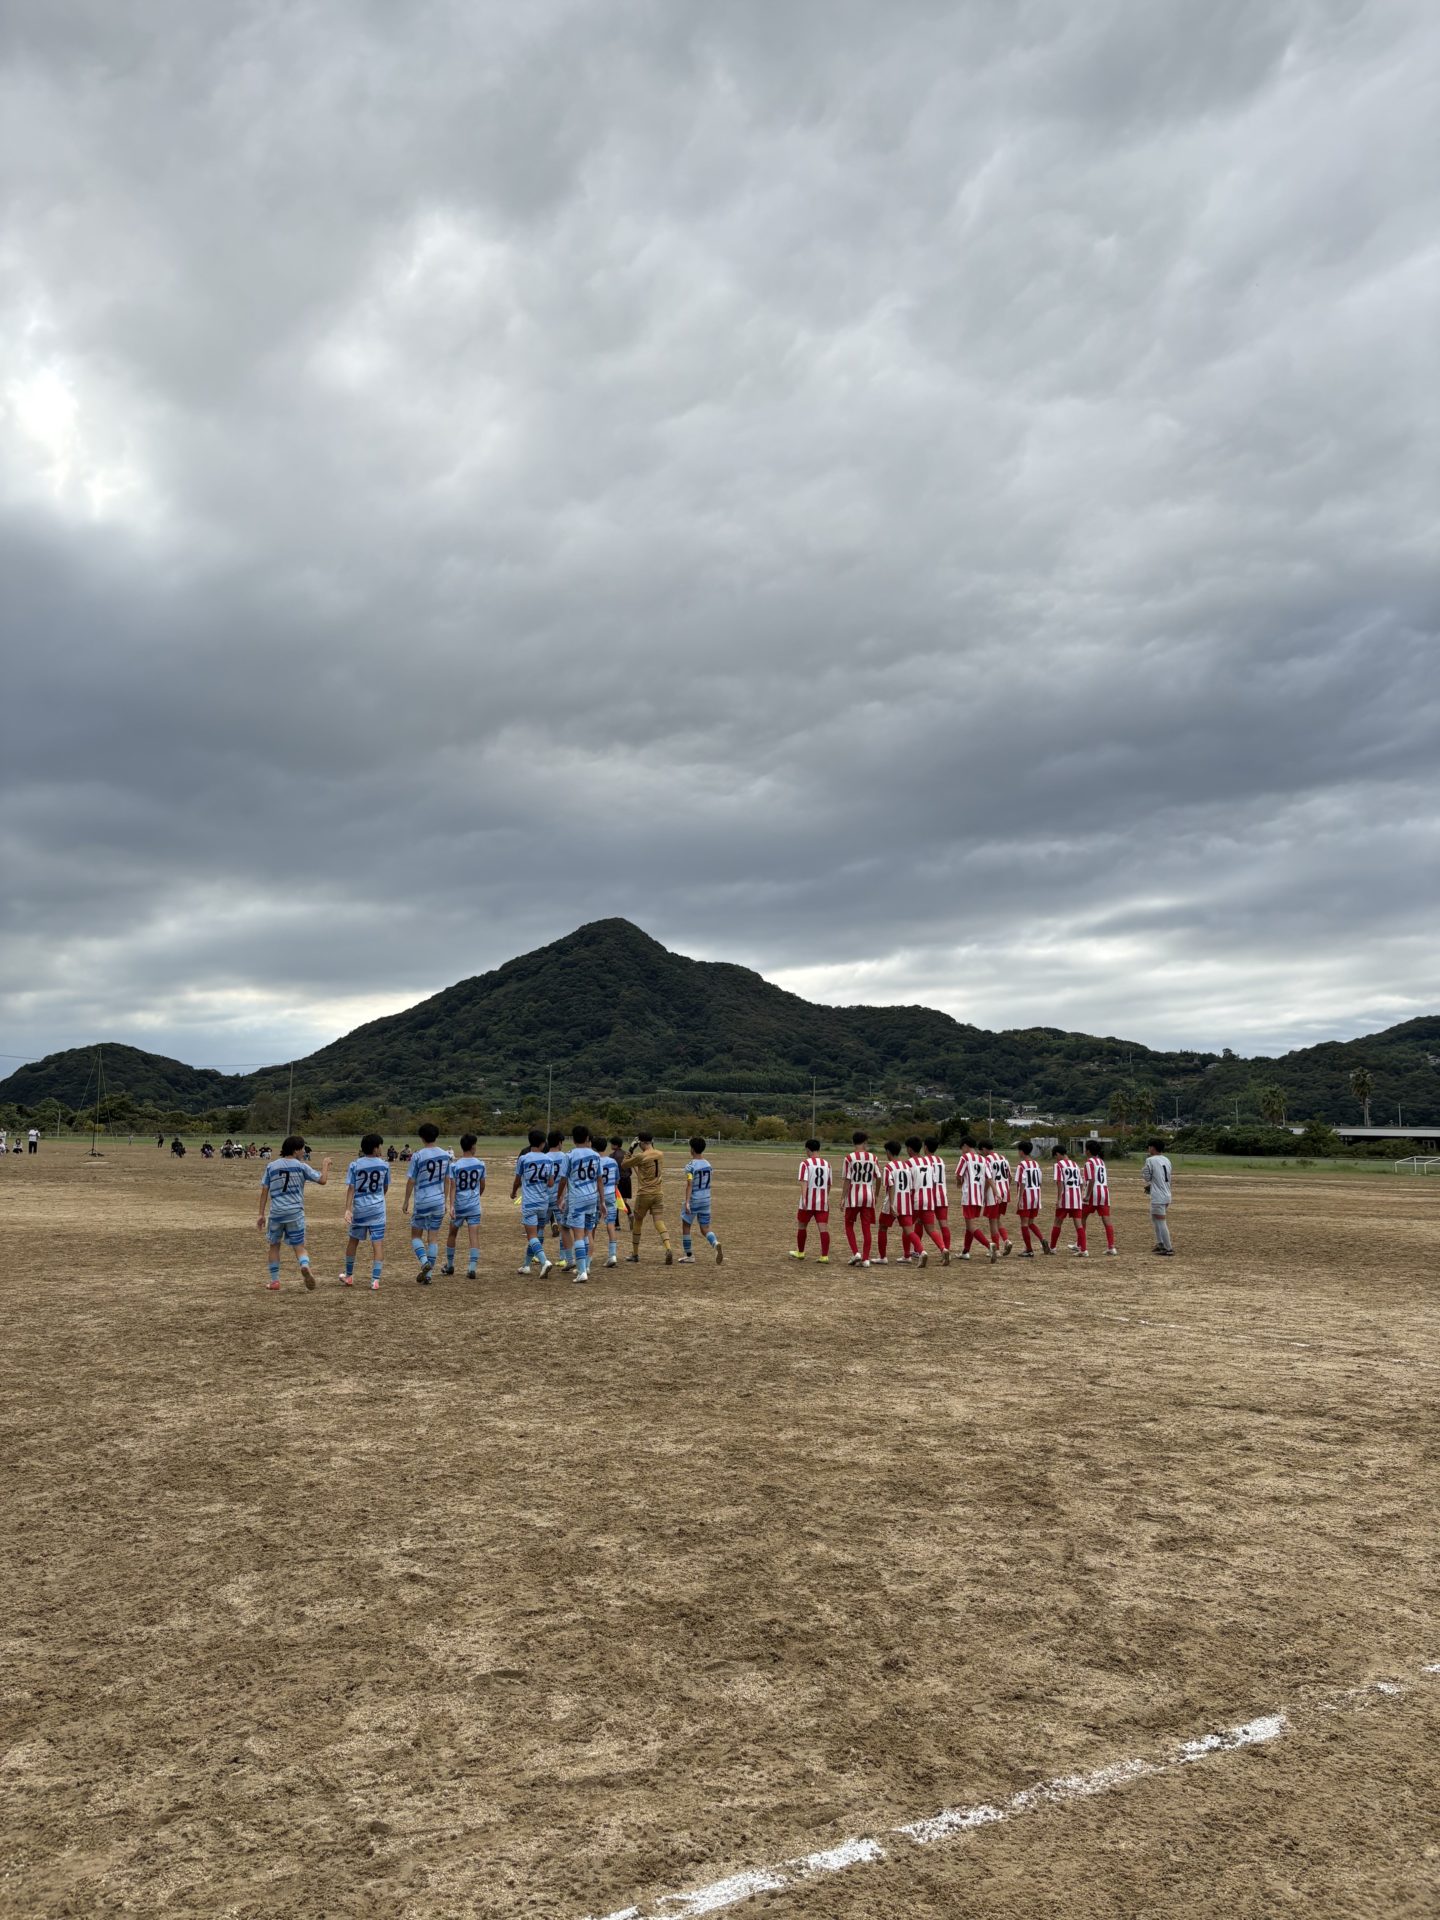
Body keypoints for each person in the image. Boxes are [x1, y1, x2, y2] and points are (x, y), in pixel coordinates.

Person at [257, 1134, 330, 1290]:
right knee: (299, 1246)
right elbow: (322, 1180)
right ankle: (304, 1265)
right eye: (303, 1148)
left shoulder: (272, 1166)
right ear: (296, 1150)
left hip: (277, 1212)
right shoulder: (301, 1166)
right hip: (295, 1212)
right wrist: (325, 1164)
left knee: (274, 1246)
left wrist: (261, 1214)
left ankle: (275, 1281)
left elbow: (264, 1190)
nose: (304, 1151)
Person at [403, 1122, 452, 1283]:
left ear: (421, 1137)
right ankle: (428, 1275)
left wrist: (406, 1201)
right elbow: (447, 1180)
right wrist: (445, 1201)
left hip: (423, 1200)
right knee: (433, 1238)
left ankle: (424, 1262)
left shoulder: (418, 1155)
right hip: (438, 1201)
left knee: (416, 1236)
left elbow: (411, 1180)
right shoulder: (445, 1155)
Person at [341, 1131, 389, 1289]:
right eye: (380, 1146)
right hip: (378, 1210)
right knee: (377, 1244)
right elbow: (385, 1187)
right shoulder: (384, 1165)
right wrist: (377, 1198)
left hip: (360, 1209)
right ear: (375, 1148)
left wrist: (348, 1209)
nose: (381, 1149)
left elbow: (351, 1188)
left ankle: (349, 1276)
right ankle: (375, 1280)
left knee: (353, 1241)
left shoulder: (355, 1165)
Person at [559, 1124, 604, 1285]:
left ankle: (582, 1272)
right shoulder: (596, 1155)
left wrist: (559, 1197)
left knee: (578, 1234)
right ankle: (584, 1267)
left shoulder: (569, 1155)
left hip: (577, 1198)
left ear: (573, 1139)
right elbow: (599, 1180)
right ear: (587, 1138)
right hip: (592, 1198)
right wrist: (602, 1201)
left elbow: (563, 1179)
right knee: (586, 1233)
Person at [511, 1128, 556, 1276]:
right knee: (537, 1234)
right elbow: (551, 1183)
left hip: (530, 1202)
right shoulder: (549, 1160)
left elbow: (517, 1180)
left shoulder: (524, 1159)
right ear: (543, 1144)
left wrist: (513, 1192)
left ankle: (544, 1261)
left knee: (531, 1236)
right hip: (544, 1202)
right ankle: (526, 1265)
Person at [623, 1133, 673, 1264]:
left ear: (641, 1142)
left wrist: (631, 1148)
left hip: (644, 1194)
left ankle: (635, 1254)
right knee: (659, 1221)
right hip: (658, 1193)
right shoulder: (660, 1154)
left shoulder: (641, 1156)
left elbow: (624, 1164)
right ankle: (668, 1247)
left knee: (638, 1222)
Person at [442, 1133, 486, 1276]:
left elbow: (453, 1187)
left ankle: (450, 1265)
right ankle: (472, 1268)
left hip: (459, 1205)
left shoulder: (455, 1166)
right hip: (474, 1206)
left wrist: (452, 1206)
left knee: (452, 1233)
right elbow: (482, 1185)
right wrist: (476, 1196)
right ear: (473, 1146)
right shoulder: (480, 1164)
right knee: (474, 1236)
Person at [680, 1136, 723, 1264]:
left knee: (686, 1225)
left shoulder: (690, 1166)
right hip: (706, 1199)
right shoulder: (708, 1164)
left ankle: (689, 1255)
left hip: (695, 1199)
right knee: (705, 1228)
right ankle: (715, 1243)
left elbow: (689, 1184)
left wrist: (687, 1202)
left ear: (692, 1149)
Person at [905, 1134, 947, 1262]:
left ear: (910, 1149)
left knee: (907, 1227)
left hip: (915, 1200)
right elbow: (933, 1182)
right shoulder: (928, 1162)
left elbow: (908, 1185)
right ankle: (943, 1249)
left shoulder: (908, 1163)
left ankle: (908, 1255)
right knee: (931, 1229)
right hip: (929, 1199)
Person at [842, 1132, 879, 1267]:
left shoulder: (849, 1158)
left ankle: (856, 1253)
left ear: (853, 1142)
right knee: (866, 1228)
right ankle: (866, 1259)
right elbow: (879, 1177)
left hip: (853, 1196)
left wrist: (843, 1197)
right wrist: (876, 1194)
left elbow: (847, 1179)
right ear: (865, 1142)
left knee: (849, 1225)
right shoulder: (873, 1157)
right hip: (868, 1196)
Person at [792, 1139, 832, 1261]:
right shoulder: (827, 1164)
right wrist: (826, 1197)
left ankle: (801, 1252)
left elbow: (804, 1182)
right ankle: (824, 1256)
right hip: (822, 1201)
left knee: (802, 1226)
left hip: (808, 1201)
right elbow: (829, 1184)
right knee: (823, 1228)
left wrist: (804, 1198)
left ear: (808, 1150)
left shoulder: (805, 1163)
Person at [954, 1143, 992, 1261]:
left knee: (971, 1226)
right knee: (969, 1225)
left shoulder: (965, 1157)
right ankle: (966, 1251)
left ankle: (989, 1246)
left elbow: (958, 1174)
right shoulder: (983, 1159)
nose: (962, 1150)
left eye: (961, 1148)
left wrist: (959, 1183)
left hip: (969, 1196)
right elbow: (989, 1177)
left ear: (965, 1146)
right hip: (978, 1196)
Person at [1050, 1145, 1088, 1255]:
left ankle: (1052, 1248)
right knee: (1079, 1224)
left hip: (1065, 1197)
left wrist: (1059, 1199)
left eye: (1055, 1156)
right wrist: (1079, 1195)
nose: (1056, 1159)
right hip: (1076, 1197)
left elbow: (1060, 1182)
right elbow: (1081, 1183)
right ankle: (1084, 1249)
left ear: (1058, 1154)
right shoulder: (1075, 1165)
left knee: (1057, 1222)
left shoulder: (1059, 1165)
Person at [1013, 1140, 1049, 1256]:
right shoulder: (1036, 1164)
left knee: (1024, 1223)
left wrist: (1019, 1199)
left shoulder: (1022, 1165)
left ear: (1021, 1151)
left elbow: (1022, 1183)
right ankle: (1042, 1239)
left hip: (1026, 1195)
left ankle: (1029, 1249)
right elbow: (1040, 1182)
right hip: (1036, 1195)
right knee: (1031, 1222)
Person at [1083, 1143, 1117, 1255]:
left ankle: (1080, 1244)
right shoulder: (1101, 1162)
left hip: (1093, 1192)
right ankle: (1111, 1247)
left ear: (1088, 1151)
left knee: (1081, 1217)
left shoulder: (1089, 1162)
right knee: (1106, 1219)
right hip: (1104, 1192)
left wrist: (1087, 1196)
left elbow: (1091, 1180)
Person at [1143, 1138, 1175, 1255]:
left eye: (1149, 1146)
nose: (1148, 1149)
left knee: (1161, 1221)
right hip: (1167, 1194)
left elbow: (1147, 1177)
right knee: (1155, 1218)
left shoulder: (1150, 1160)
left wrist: (1144, 1172)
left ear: (1152, 1148)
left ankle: (1168, 1248)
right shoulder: (1166, 1159)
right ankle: (1160, 1243)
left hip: (1158, 1196)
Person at [983, 1144, 1013, 1257]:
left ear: (984, 1149)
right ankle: (1006, 1240)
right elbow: (1010, 1177)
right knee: (997, 1219)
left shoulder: (987, 1159)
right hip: (1004, 1192)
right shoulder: (1003, 1158)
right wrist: (1006, 1187)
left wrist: (984, 1193)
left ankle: (996, 1249)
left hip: (994, 1193)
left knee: (992, 1220)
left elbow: (988, 1178)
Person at [598, 1138, 624, 1268]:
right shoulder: (612, 1161)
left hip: (597, 1196)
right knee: (611, 1224)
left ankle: (587, 1256)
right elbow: (617, 1180)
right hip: (610, 1194)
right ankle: (612, 1255)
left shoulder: (593, 1161)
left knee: (591, 1227)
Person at [924, 1134, 951, 1255]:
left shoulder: (924, 1161)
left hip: (929, 1195)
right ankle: (947, 1249)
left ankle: (916, 1251)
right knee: (943, 1224)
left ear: (925, 1147)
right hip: (942, 1195)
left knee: (920, 1222)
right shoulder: (940, 1160)